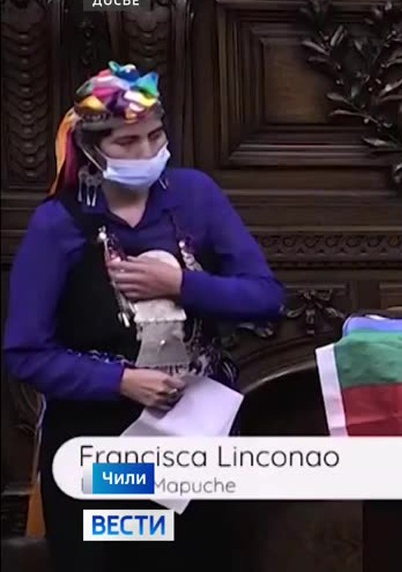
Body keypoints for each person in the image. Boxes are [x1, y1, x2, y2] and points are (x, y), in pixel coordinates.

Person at [2, 62, 285, 571]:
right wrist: (121, 381)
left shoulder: (196, 196)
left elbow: (265, 297)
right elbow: (26, 353)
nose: (147, 152)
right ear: (92, 148)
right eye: (127, 142)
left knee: (192, 557)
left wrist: (181, 285)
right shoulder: (57, 225)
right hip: (98, 447)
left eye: (155, 136)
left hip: (193, 438)